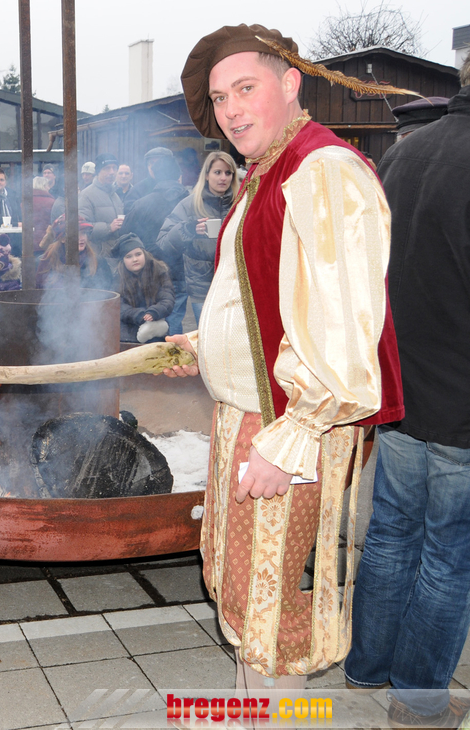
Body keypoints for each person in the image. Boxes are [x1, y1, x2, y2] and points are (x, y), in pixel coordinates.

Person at [166, 23, 404, 691]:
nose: (231, 109)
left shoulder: (323, 170)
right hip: (248, 415)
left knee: (264, 607)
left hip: (286, 424)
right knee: (242, 591)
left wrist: (291, 439)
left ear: (291, 82)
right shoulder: (269, 169)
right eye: (220, 98)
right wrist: (201, 345)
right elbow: (265, 297)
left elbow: (346, 325)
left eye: (246, 88)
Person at [343, 63, 470, 727]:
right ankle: (418, 700)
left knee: (391, 533)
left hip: (398, 386)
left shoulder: (404, 154)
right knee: (449, 554)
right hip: (460, 402)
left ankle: (367, 669)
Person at [156, 150, 239, 324]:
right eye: (217, 172)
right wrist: (187, 229)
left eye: (228, 173)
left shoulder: (241, 203)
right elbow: (163, 242)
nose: (223, 178)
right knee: (206, 334)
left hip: (235, 286)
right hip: (202, 288)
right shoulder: (190, 204)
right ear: (207, 175)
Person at [124, 155, 189, 334]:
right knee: (175, 316)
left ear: (155, 175)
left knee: (150, 320)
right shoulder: (190, 202)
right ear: (178, 175)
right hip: (181, 270)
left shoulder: (142, 204)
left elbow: (126, 234)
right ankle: (173, 348)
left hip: (150, 271)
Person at [114, 239, 174, 343]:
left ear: (144, 254)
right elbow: (118, 305)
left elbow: (167, 299)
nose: (135, 259)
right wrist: (138, 315)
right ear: (123, 260)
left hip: (155, 324)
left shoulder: (159, 271)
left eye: (138, 254)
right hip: (128, 331)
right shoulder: (118, 277)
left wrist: (154, 312)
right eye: (129, 256)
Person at [36, 215, 113, 291]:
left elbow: (108, 292)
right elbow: (39, 293)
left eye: (84, 233)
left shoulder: (99, 262)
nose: (82, 238)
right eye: (76, 234)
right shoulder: (46, 262)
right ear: (62, 239)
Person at [78, 152, 125, 258]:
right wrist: (108, 227)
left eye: (114, 168)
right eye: (107, 168)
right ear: (98, 171)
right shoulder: (86, 195)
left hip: (115, 254)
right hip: (97, 257)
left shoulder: (115, 195)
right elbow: (82, 227)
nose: (112, 172)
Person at [30, 176, 54, 256]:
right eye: (47, 185)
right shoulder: (52, 202)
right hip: (46, 241)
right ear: (43, 186)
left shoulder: (26, 201)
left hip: (28, 241)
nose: (49, 188)